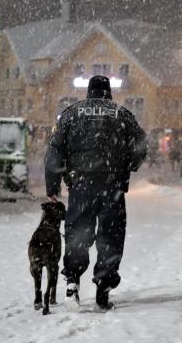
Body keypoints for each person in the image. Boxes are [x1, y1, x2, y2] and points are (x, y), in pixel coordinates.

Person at [45, 75, 147, 311]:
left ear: (89, 92)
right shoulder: (121, 114)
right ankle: (103, 288)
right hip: (111, 185)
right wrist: (130, 165)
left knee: (78, 233)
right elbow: (141, 144)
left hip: (81, 185)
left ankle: (72, 282)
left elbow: (54, 151)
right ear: (108, 92)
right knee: (110, 237)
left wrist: (53, 186)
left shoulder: (71, 113)